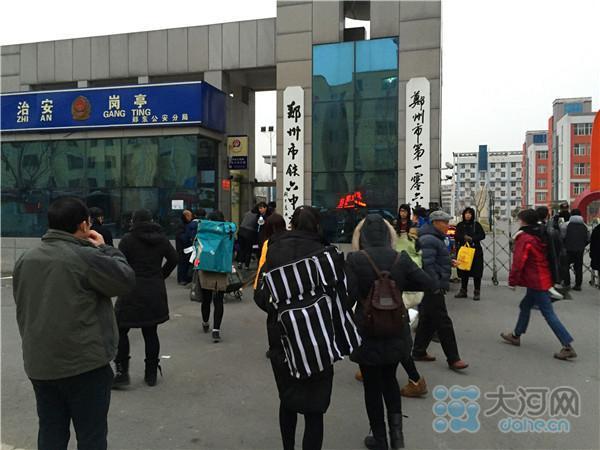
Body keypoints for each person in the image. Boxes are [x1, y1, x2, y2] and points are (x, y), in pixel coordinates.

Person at [13, 197, 135, 450]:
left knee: (51, 432)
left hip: (40, 363)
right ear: (83, 225)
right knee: (91, 436)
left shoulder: (26, 258)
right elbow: (124, 280)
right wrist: (106, 248)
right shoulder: (84, 256)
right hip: (84, 365)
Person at [346, 214, 432, 449]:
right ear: (387, 235)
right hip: (396, 328)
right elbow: (427, 283)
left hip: (367, 331)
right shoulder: (399, 258)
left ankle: (379, 438)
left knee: (372, 387)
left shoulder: (355, 259)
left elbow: (347, 298)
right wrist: (398, 286)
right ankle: (397, 437)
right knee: (390, 381)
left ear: (362, 236)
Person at [254, 206, 334, 450]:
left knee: (287, 400)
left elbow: (260, 295)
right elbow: (342, 295)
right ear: (317, 225)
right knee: (315, 409)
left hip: (282, 336)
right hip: (318, 339)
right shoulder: (326, 254)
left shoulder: (275, 250)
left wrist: (278, 310)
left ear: (292, 225)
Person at [113, 209, 178, 388]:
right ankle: (151, 374)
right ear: (151, 220)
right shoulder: (162, 239)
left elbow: (119, 263)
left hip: (131, 290)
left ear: (133, 221)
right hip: (154, 290)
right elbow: (174, 258)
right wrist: (160, 275)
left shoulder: (128, 240)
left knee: (121, 329)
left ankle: (122, 372)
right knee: (150, 332)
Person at [501, 209, 577, 360]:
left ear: (524, 221)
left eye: (519, 220)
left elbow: (518, 261)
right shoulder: (541, 232)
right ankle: (516, 335)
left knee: (548, 313)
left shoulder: (525, 237)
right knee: (525, 305)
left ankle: (567, 345)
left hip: (536, 280)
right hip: (542, 276)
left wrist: (512, 281)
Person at [412, 210, 469, 371]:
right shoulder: (429, 239)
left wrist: (448, 261)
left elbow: (433, 259)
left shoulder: (434, 237)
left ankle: (419, 351)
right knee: (443, 322)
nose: (447, 226)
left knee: (428, 320)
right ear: (435, 223)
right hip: (432, 286)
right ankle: (453, 358)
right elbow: (427, 265)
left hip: (430, 285)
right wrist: (435, 284)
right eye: (444, 222)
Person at [199, 210, 229, 343]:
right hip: (221, 267)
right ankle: (216, 330)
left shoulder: (204, 231)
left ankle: (205, 322)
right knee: (219, 300)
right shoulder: (227, 231)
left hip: (206, 266)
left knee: (206, 298)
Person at [454, 207, 486, 301]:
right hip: (464, 251)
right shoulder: (460, 225)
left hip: (476, 252)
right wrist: (463, 237)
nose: (468, 215)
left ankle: (477, 292)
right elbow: (456, 236)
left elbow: (482, 235)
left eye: (470, 213)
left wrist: (472, 238)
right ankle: (463, 290)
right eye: (466, 213)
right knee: (464, 271)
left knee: (477, 272)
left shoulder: (476, 225)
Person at [560, 209, 590, 291]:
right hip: (580, 250)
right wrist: (582, 245)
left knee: (565, 266)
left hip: (567, 249)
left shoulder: (565, 225)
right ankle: (578, 285)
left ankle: (567, 283)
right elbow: (588, 238)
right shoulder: (585, 226)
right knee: (578, 267)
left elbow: (562, 237)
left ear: (571, 215)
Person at [176, 210, 194, 285]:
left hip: (186, 247)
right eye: (190, 216)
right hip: (182, 247)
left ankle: (185, 278)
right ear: (186, 216)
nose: (191, 217)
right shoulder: (182, 225)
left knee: (186, 263)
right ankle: (181, 279)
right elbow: (182, 237)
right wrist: (189, 236)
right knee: (182, 263)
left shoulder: (187, 224)